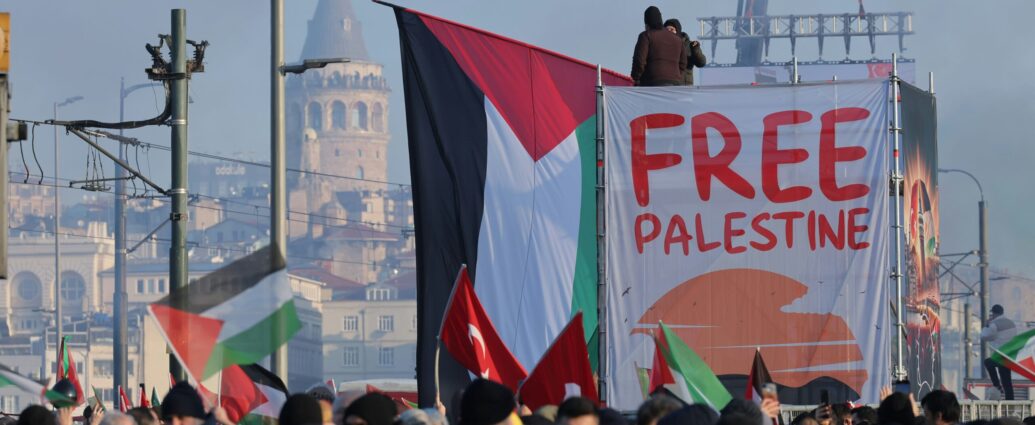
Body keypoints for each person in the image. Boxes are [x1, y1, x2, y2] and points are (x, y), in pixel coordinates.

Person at [631, 6, 687, 86]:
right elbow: (683, 63)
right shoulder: (677, 39)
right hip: (675, 84)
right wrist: (676, 77)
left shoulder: (646, 36)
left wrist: (636, 78)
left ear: (647, 23)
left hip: (652, 82)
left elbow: (639, 61)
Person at [981, 304, 1018, 400]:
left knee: (988, 362)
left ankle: (997, 385)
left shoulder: (995, 324)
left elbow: (985, 336)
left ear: (993, 313)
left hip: (1001, 355)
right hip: (1010, 355)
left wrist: (986, 325)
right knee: (1007, 381)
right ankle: (1010, 402)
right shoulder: (1011, 323)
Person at [662, 19, 707, 85]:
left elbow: (701, 63)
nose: (669, 32)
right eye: (667, 30)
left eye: (672, 30)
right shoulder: (661, 46)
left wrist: (695, 49)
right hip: (668, 86)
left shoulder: (689, 45)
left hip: (685, 87)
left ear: (678, 31)